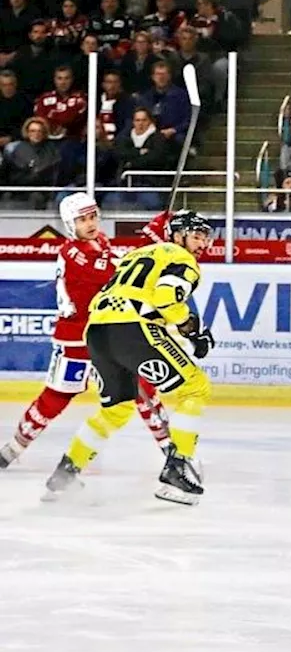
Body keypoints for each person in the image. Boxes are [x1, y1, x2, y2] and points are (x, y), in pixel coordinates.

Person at [45, 210, 215, 506]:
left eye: (206, 238)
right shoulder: (184, 260)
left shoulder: (136, 255)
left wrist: (187, 329)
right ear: (177, 235)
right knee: (196, 387)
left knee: (117, 408)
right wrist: (191, 329)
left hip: (97, 331)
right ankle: (177, 470)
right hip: (132, 328)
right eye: (197, 236)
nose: (203, 245)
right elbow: (165, 299)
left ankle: (65, 473)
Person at [0, 194, 171, 470]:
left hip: (106, 334)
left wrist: (152, 237)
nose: (90, 223)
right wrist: (153, 243)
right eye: (82, 219)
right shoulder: (72, 253)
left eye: (92, 216)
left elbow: (121, 263)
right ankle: (14, 447)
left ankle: (171, 451)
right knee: (55, 397)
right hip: (75, 338)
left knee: (142, 388)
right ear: (70, 224)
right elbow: (118, 274)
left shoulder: (100, 242)